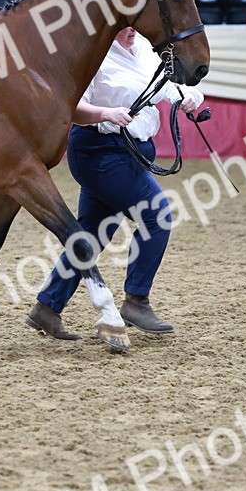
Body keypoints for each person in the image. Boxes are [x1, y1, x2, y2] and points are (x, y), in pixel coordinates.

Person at [27, 26, 204, 340]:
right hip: (101, 151)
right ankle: (136, 300)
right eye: (125, 24)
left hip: (130, 151)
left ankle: (47, 307)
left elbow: (168, 86)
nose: (133, 29)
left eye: (134, 23)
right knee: (157, 215)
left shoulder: (147, 49)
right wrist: (105, 112)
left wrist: (188, 97)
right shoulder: (92, 54)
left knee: (93, 234)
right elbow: (72, 108)